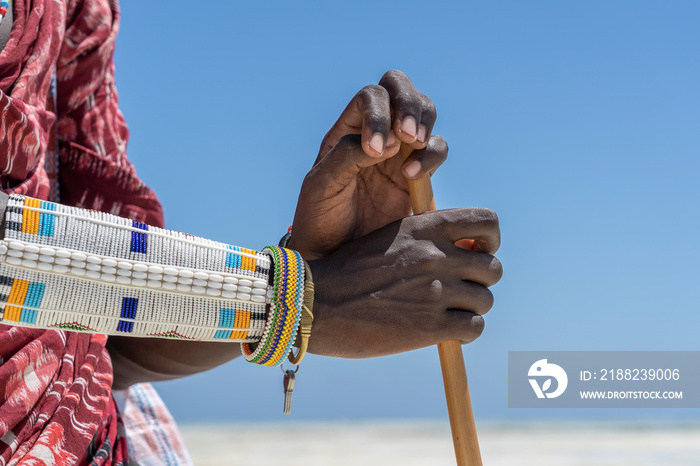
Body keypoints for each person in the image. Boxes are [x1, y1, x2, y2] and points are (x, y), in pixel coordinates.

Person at [0, 0, 502, 464]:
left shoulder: (79, 11)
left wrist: (306, 262)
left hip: (97, 435)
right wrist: (291, 297)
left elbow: (107, 334)